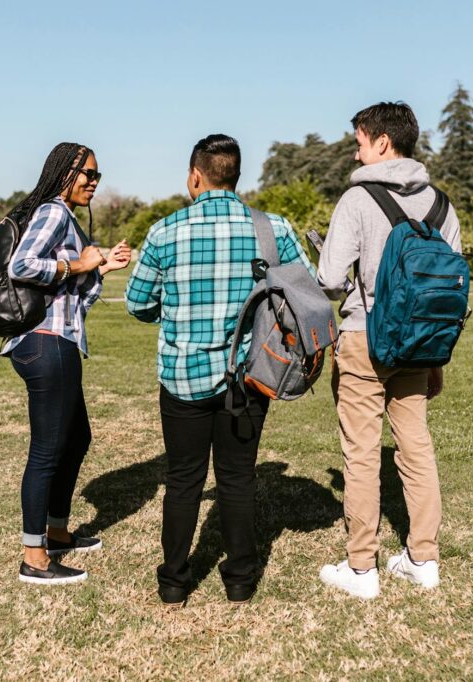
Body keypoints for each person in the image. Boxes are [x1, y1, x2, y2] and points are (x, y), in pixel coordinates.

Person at [125, 134, 314, 605]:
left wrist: (170, 314)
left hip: (183, 375)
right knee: (238, 477)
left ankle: (173, 581)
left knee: (183, 479)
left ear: (195, 175)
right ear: (234, 176)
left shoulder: (164, 231)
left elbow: (136, 303)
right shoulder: (273, 228)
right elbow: (305, 293)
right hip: (249, 375)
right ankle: (240, 579)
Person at [316, 102, 462, 598]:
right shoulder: (442, 205)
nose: (355, 152)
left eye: (358, 142)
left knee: (361, 453)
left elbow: (332, 281)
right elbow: (450, 290)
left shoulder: (357, 201)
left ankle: (361, 568)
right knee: (416, 447)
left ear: (382, 143)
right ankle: (423, 558)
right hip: (421, 344)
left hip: (365, 339)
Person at [4, 142, 131, 586]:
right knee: (47, 450)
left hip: (58, 339)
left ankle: (56, 531)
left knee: (76, 439)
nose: (93, 181)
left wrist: (100, 268)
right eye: (86, 174)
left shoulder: (65, 216)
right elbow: (22, 265)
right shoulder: (54, 212)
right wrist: (79, 263)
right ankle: (34, 556)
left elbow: (72, 295)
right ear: (63, 174)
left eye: (97, 174)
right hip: (45, 343)